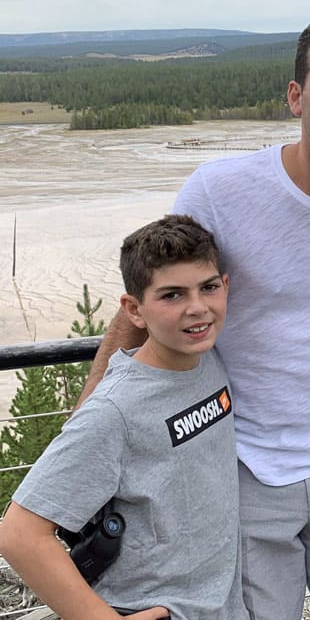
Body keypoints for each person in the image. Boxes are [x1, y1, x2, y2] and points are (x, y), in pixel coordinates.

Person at [77, 18, 310, 620]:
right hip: (240, 470)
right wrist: (87, 432)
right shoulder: (221, 191)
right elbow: (150, 303)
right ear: (295, 95)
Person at [0, 214, 247, 620]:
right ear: (134, 309)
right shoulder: (115, 410)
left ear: (226, 286)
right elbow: (20, 533)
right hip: (151, 606)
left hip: (220, 604)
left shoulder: (209, 360)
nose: (197, 308)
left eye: (208, 287)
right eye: (172, 295)